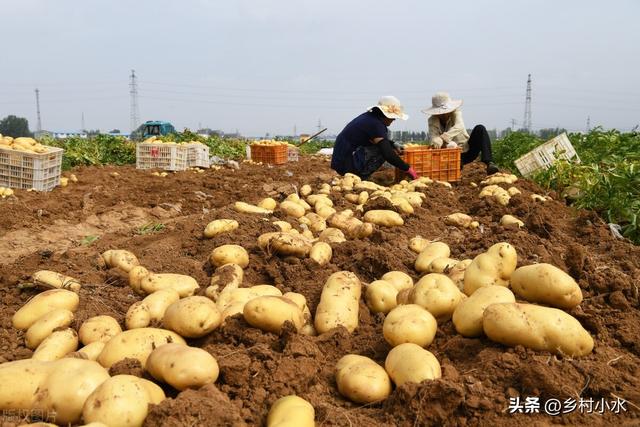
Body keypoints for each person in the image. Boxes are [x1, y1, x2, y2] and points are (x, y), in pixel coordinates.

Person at [331, 96, 418, 180]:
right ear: (386, 115)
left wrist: (393, 144)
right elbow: (387, 154)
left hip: (342, 161)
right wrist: (407, 168)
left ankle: (357, 175)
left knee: (387, 147)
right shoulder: (376, 124)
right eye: (393, 118)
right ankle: (359, 177)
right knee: (384, 150)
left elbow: (375, 139)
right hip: (346, 164)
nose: (394, 120)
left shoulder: (369, 118)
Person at [421, 92, 499, 175]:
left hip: (466, 149)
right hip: (450, 155)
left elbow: (459, 126)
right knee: (454, 170)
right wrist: (435, 139)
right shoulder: (432, 120)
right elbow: (433, 135)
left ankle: (489, 163)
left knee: (480, 128)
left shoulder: (456, 113)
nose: (443, 114)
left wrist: (443, 138)